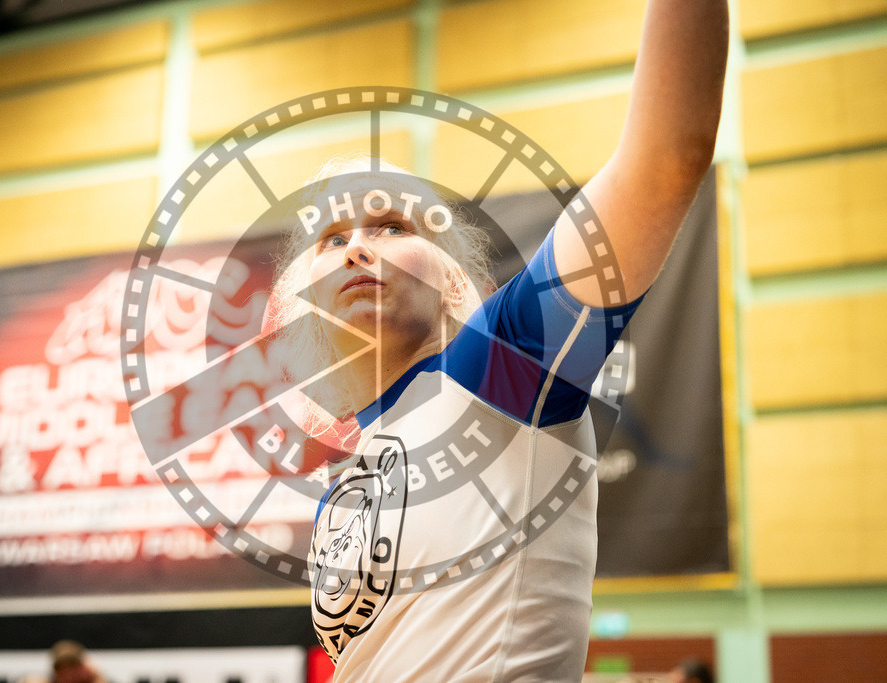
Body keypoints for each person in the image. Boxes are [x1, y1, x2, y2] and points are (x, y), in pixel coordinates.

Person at [271, 0, 728, 679]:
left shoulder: (497, 367)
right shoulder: (360, 458)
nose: (358, 248)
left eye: (393, 226)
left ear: (455, 282)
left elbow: (666, 157)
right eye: (333, 240)